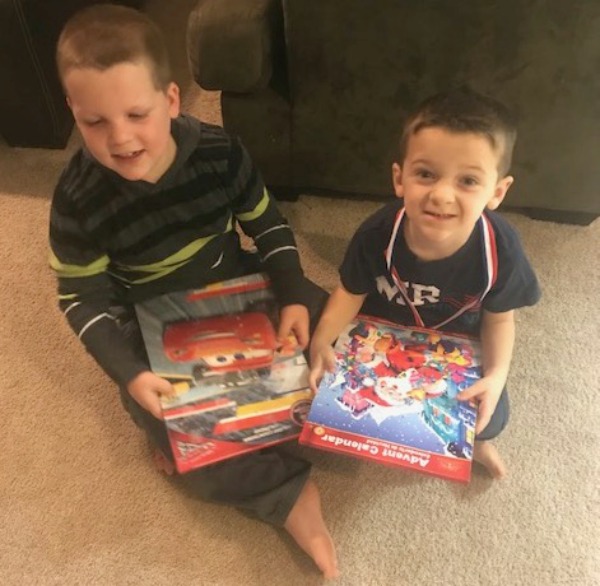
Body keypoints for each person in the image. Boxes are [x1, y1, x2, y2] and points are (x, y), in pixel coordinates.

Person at [49, 4, 338, 579]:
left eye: (137, 113)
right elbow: (81, 300)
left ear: (173, 100)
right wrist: (131, 373)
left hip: (238, 277)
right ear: (73, 113)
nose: (121, 138)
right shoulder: (77, 197)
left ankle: (330, 420)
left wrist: (296, 298)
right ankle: (288, 494)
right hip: (153, 324)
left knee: (334, 326)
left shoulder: (218, 151)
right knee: (188, 452)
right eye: (95, 122)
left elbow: (270, 226)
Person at [309, 88, 541, 480]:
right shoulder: (377, 233)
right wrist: (320, 341)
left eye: (468, 180)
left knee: (492, 413)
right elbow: (349, 293)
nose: (441, 195)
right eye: (426, 174)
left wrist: (497, 374)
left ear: (497, 192)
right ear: (400, 178)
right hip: (380, 331)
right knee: (311, 357)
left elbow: (500, 320)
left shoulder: (501, 248)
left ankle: (477, 444)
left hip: (457, 340)